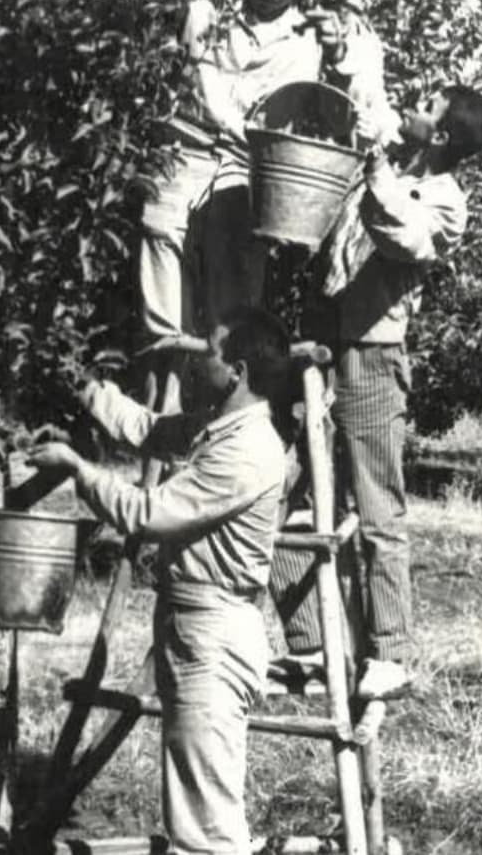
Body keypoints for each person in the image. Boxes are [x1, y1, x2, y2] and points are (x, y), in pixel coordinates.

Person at [26, 307, 293, 855]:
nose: (196, 363)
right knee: (195, 807)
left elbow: (150, 514)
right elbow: (148, 431)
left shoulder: (248, 449)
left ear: (238, 371)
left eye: (209, 353)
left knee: (207, 829)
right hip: (192, 626)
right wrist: (88, 390)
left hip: (214, 635)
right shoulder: (217, 426)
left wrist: (80, 471)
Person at [270, 85, 482, 699]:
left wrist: (374, 163)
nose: (413, 106)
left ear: (443, 135)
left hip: (371, 355)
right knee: (283, 489)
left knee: (376, 504)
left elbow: (401, 234)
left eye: (427, 105)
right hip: (317, 342)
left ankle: (390, 652)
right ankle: (312, 647)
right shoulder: (391, 166)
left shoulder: (445, 203)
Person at [139, 0, 397, 345]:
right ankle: (160, 406)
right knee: (162, 311)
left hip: (249, 183)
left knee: (232, 318)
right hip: (184, 160)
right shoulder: (207, 13)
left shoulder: (313, 37)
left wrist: (339, 56)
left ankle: (220, 410)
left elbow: (357, 118)